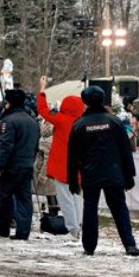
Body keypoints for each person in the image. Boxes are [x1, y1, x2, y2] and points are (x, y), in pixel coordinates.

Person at [67, 86, 139, 257]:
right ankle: (130, 244)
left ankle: (89, 246)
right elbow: (125, 151)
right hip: (114, 173)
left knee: (90, 209)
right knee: (119, 208)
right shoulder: (114, 122)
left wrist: (72, 180)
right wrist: (129, 175)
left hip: (90, 175)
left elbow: (72, 156)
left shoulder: (79, 125)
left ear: (85, 102)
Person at [36, 76, 83, 238]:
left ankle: (73, 229)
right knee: (77, 197)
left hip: (62, 166)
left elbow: (42, 110)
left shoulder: (62, 120)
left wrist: (42, 89)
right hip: (78, 166)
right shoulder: (82, 122)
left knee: (65, 200)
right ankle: (79, 225)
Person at [0, 88, 40, 240]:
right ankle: (23, 231)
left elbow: (6, 146)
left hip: (11, 166)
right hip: (27, 165)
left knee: (4, 198)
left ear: (9, 103)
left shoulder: (8, 121)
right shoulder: (32, 121)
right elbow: (36, 145)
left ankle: (3, 228)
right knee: (24, 199)